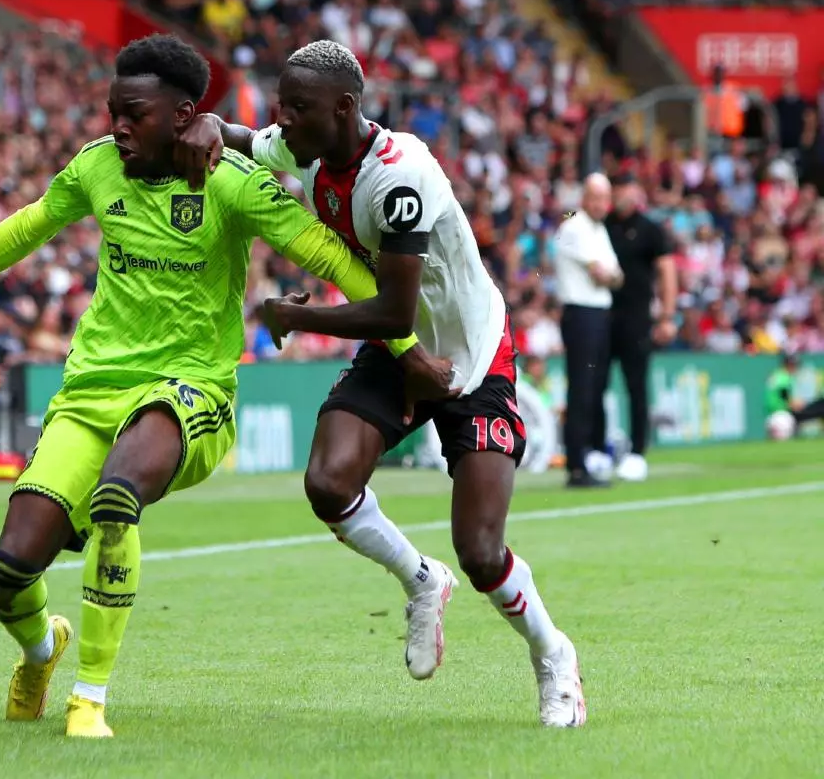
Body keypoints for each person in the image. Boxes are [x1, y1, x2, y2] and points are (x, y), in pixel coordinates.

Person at [0, 34, 418, 740]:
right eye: (112, 112)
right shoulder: (96, 168)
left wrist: (407, 345)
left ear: (184, 115)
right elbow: (26, 226)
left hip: (190, 392)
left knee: (118, 497)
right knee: (11, 567)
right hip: (92, 391)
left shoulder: (231, 183)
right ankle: (42, 649)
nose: (117, 127)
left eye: (135, 115)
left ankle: (89, 698)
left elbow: (331, 256)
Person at [174, 39, 586, 727]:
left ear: (345, 108)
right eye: (283, 107)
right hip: (400, 350)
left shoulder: (397, 179)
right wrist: (217, 124)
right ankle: (420, 580)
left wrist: (299, 315)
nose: (286, 121)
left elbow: (393, 310)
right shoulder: (314, 141)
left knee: (482, 552)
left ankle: (554, 655)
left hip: (468, 356)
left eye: (297, 109)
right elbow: (254, 141)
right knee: (329, 483)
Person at [596, 178, 676, 482]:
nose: (621, 196)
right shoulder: (601, 225)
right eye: (616, 191)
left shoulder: (649, 228)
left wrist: (667, 316)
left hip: (636, 318)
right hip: (602, 317)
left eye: (626, 189)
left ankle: (637, 452)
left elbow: (667, 271)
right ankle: (598, 450)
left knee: (636, 387)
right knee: (597, 385)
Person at [553, 174, 622, 489]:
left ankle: (590, 456)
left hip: (599, 312)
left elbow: (616, 276)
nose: (601, 204)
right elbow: (601, 274)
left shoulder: (599, 229)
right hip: (581, 312)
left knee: (595, 387)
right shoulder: (575, 227)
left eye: (605, 198)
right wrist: (608, 276)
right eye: (595, 197)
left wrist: (609, 276)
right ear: (584, 198)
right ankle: (576, 465)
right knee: (581, 389)